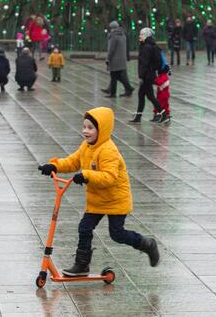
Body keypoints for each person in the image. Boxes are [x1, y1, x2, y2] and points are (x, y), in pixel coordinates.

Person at [38, 107, 160, 277]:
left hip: (115, 199)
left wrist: (86, 175)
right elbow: (73, 161)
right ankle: (82, 265)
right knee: (84, 228)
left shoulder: (109, 150)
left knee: (117, 234)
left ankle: (147, 244)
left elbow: (109, 177)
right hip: (97, 200)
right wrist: (54, 166)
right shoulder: (86, 146)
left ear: (101, 130)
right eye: (84, 127)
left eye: (90, 128)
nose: (85, 131)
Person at [130, 28, 166, 123]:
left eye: (141, 34)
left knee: (149, 96)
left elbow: (144, 64)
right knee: (142, 95)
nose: (140, 36)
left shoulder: (146, 47)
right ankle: (138, 117)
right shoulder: (147, 45)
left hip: (147, 76)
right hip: (149, 75)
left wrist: (141, 76)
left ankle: (163, 114)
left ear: (146, 35)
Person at [103, 21, 134, 98]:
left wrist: (108, 58)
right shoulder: (123, 35)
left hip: (114, 59)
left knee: (114, 76)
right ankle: (128, 88)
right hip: (121, 59)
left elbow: (111, 49)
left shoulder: (113, 36)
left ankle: (126, 89)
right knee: (117, 76)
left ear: (112, 28)